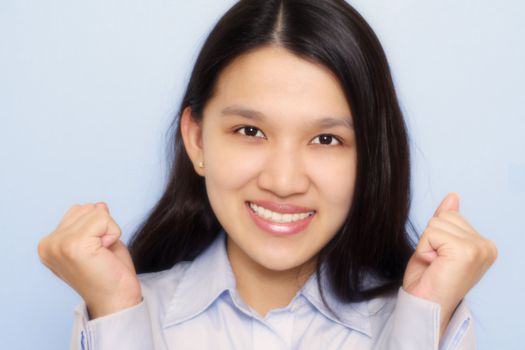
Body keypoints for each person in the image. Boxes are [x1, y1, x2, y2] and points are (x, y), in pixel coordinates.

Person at [37, 0, 497, 349]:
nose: (283, 180)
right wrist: (117, 315)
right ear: (197, 141)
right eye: (250, 130)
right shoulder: (122, 315)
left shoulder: (417, 325)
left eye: (326, 139)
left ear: (370, 157)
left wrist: (424, 319)